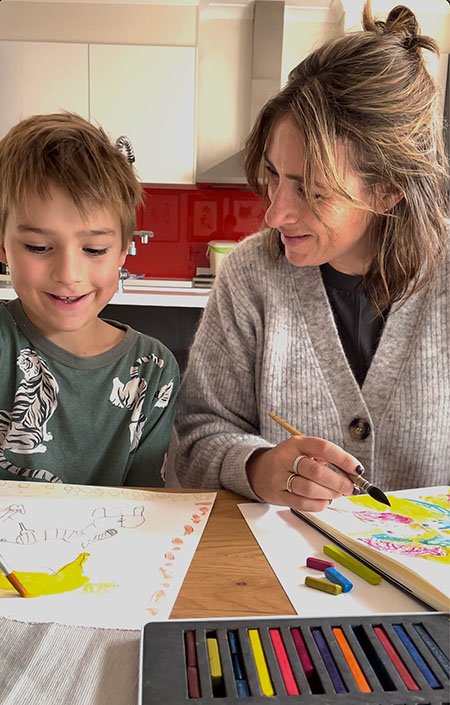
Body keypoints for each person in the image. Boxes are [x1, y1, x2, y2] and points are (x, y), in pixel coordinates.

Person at [169, 2, 449, 510]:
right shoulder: (252, 275)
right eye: (273, 175)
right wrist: (256, 467)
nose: (274, 214)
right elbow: (194, 439)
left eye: (313, 190)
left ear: (388, 191)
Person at [0, 112, 179, 486]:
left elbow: (144, 501)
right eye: (38, 247)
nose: (68, 274)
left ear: (123, 249)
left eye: (94, 249)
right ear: (4, 247)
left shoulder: (153, 369)